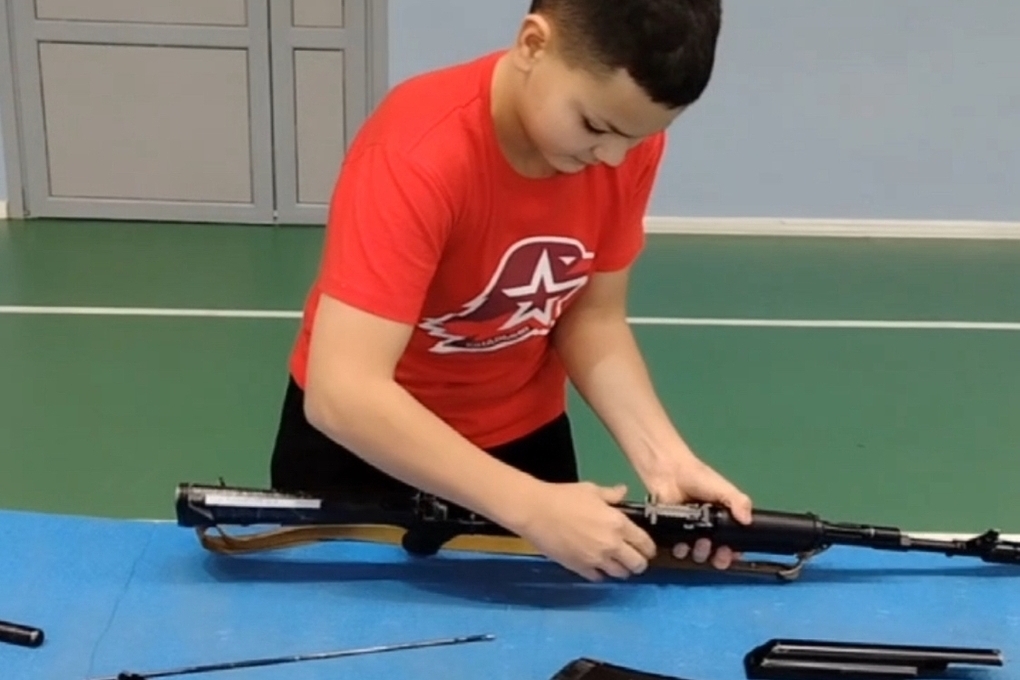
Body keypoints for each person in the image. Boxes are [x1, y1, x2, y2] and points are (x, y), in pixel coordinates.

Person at [270, 0, 753, 583]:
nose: (612, 158)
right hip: (367, 452)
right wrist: (529, 506)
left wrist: (667, 461)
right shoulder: (414, 152)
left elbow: (591, 318)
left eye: (639, 138)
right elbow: (343, 392)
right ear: (532, 45)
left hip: (524, 441)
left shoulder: (622, 142)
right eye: (595, 127)